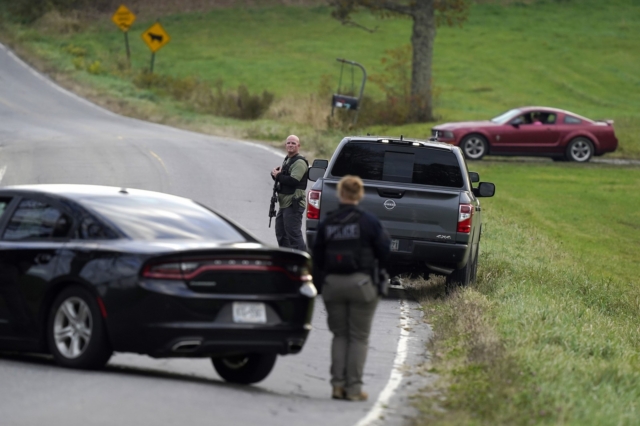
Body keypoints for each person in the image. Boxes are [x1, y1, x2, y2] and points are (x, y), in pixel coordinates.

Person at [312, 175, 391, 401]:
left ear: (340, 193)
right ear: (359, 194)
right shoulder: (369, 221)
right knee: (358, 337)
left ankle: (337, 386)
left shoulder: (328, 222)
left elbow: (317, 255)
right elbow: (384, 250)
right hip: (361, 284)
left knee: (339, 335)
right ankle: (354, 389)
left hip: (333, 284)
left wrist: (323, 281)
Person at [271, 135, 309, 251]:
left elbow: (293, 181)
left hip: (293, 204)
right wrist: (275, 175)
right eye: (288, 143)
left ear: (298, 145)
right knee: (281, 233)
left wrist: (279, 175)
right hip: (285, 204)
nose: (290, 145)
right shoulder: (288, 159)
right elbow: (285, 179)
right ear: (285, 145)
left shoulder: (299, 162)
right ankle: (287, 259)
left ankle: (302, 261)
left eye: (293, 143)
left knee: (293, 235)